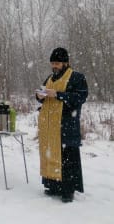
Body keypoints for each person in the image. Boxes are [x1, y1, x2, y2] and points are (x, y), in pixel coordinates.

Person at [36, 48, 88, 203]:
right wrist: (39, 95)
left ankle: (67, 190)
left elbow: (81, 97)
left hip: (66, 126)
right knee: (50, 155)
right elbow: (42, 94)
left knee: (67, 160)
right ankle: (53, 186)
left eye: (57, 63)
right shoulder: (50, 78)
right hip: (50, 126)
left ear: (66, 63)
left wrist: (58, 95)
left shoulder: (77, 77)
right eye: (52, 63)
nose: (55, 66)